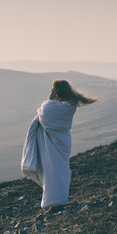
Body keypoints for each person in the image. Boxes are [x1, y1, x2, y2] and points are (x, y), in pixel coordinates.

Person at [21, 79, 97, 209]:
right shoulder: (69, 105)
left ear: (57, 92)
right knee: (58, 171)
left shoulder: (58, 107)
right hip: (61, 142)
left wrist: (50, 99)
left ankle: (54, 202)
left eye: (52, 90)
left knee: (53, 171)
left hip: (55, 144)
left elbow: (45, 114)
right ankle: (56, 200)